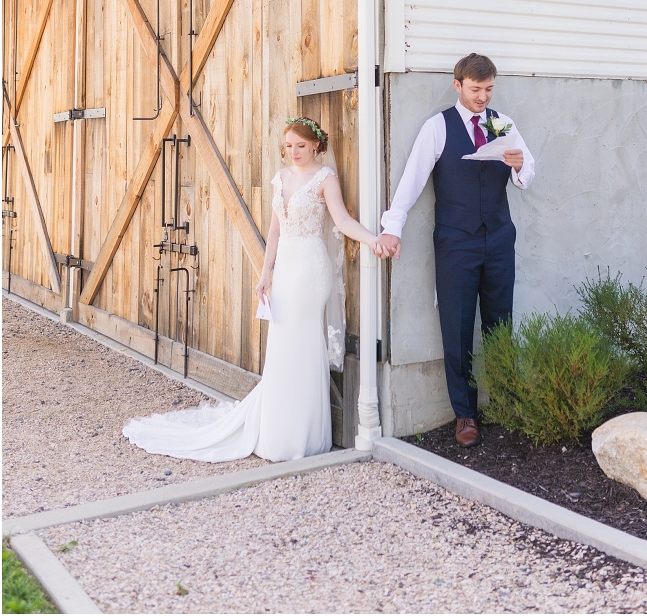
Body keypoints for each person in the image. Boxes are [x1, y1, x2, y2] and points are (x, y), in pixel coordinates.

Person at [124, 118, 385, 463]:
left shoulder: (325, 179)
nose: (294, 152)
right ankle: (278, 432)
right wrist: (266, 273)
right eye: (289, 146)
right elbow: (274, 232)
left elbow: (342, 221)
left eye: (301, 146)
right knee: (281, 347)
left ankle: (302, 437)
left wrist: (373, 239)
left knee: (302, 344)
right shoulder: (281, 177)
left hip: (310, 269)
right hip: (286, 269)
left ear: (317, 145)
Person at [378, 54, 534, 448]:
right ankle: (465, 414)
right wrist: (392, 227)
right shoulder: (437, 127)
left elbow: (527, 174)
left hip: (499, 237)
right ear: (458, 85)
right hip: (456, 241)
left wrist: (518, 165)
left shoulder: (504, 123)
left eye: (489, 89)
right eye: (476, 89)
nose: (483, 97)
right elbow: (412, 180)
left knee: (501, 322)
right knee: (457, 325)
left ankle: (504, 400)